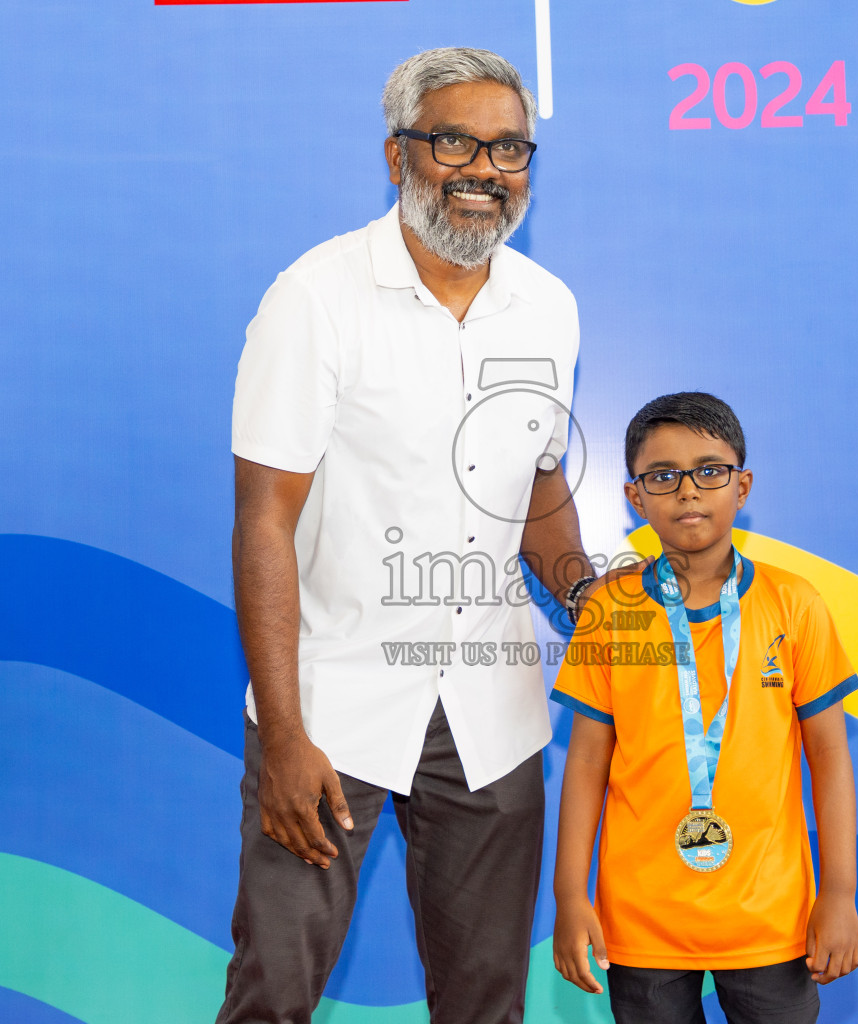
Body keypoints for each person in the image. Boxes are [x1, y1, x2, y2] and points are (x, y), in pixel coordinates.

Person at [220, 48, 606, 1024]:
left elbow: (536, 485)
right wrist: (284, 733)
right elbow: (265, 521)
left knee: (485, 1004)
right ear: (398, 157)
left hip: (494, 714)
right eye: (455, 143)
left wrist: (597, 610)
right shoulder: (314, 299)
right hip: (332, 709)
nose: (485, 169)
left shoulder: (548, 308)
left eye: (510, 148)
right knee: (273, 993)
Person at [549, 392, 858, 1024]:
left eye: (709, 470)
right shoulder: (613, 613)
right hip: (641, 920)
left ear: (741, 486)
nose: (688, 490)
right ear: (635, 497)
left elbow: (828, 755)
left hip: (770, 916)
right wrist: (568, 896)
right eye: (663, 476)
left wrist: (840, 893)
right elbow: (586, 762)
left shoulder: (793, 603)